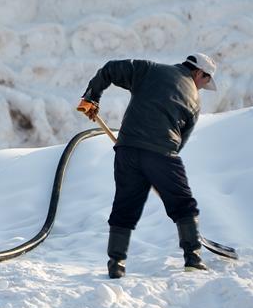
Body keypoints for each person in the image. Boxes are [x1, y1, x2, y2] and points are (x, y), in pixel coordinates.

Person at [76, 53, 218, 278]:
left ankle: (116, 265)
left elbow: (110, 69)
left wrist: (92, 96)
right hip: (162, 154)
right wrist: (159, 172)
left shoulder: (150, 70)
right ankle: (194, 258)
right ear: (199, 72)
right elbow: (181, 140)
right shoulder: (194, 101)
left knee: (125, 206)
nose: (204, 87)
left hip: (127, 150)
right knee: (183, 204)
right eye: (206, 81)